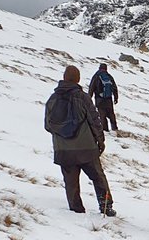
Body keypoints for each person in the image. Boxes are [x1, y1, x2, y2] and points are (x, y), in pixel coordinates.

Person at [44, 65, 116, 216]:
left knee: (71, 182)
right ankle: (105, 206)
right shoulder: (82, 97)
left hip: (63, 150)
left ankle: (76, 210)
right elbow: (95, 120)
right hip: (86, 148)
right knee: (98, 177)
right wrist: (100, 141)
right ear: (77, 79)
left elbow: (48, 126)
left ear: (64, 78)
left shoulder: (52, 99)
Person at [88, 61, 119, 132]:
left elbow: (92, 87)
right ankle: (115, 129)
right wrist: (116, 98)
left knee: (102, 115)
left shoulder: (96, 76)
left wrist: (89, 97)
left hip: (99, 99)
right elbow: (114, 88)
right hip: (108, 99)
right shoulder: (109, 76)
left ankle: (105, 130)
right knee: (111, 114)